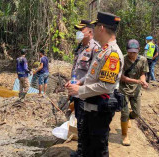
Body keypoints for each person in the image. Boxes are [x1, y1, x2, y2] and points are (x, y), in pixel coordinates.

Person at [66, 12, 123, 157]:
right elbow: (92, 75)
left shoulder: (113, 54)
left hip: (100, 109)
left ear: (101, 28)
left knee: (98, 148)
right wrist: (80, 82)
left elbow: (106, 86)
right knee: (87, 144)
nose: (94, 28)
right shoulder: (103, 50)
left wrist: (79, 90)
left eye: (96, 25)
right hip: (90, 106)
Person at [67, 20, 100, 157]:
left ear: (90, 32)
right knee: (80, 122)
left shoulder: (95, 48)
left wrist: (79, 84)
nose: (78, 33)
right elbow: (77, 69)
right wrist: (71, 81)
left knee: (86, 123)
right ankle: (81, 151)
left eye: (82, 30)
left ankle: (85, 152)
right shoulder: (81, 47)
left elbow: (93, 74)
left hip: (87, 93)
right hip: (77, 91)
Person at [119, 39, 148, 146]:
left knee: (136, 113)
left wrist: (143, 81)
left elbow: (142, 74)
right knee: (124, 113)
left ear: (139, 50)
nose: (132, 54)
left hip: (136, 90)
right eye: (130, 52)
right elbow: (121, 77)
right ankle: (124, 135)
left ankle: (128, 119)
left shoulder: (143, 60)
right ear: (127, 50)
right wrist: (137, 81)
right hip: (124, 90)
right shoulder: (122, 58)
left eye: (134, 52)